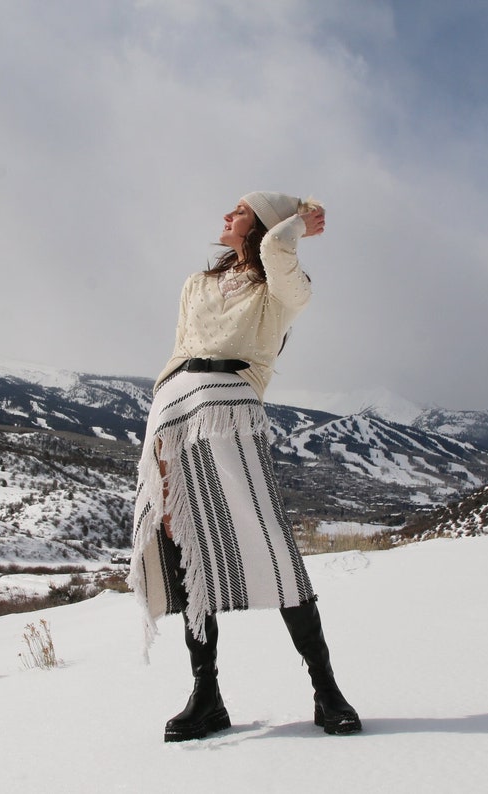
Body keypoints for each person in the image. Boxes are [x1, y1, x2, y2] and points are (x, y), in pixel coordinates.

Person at [128, 191, 361, 742]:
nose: (224, 215)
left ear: (260, 224)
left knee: (268, 539)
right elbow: (180, 347)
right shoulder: (196, 283)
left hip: (230, 410)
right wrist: (160, 411)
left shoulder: (284, 288)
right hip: (172, 410)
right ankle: (205, 695)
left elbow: (279, 247)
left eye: (238, 209)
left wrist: (299, 219)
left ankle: (326, 691)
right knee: (183, 544)